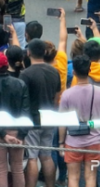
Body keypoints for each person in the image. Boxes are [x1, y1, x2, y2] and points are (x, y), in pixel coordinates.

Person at [58, 55, 100, 187]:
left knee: (73, 178)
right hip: (94, 141)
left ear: (74, 72)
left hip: (73, 142)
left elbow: (62, 122)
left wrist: (60, 143)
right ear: (89, 71)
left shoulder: (67, 94)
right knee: (91, 177)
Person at [0, 50, 30, 187]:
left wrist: (2, 134)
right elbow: (26, 111)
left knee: (0, 169)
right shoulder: (20, 84)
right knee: (17, 168)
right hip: (17, 131)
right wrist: (21, 134)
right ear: (6, 65)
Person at [19, 39, 60, 187]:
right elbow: (56, 97)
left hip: (32, 120)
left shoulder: (26, 74)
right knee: (46, 156)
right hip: (49, 118)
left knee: (32, 158)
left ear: (28, 52)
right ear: (44, 52)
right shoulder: (54, 72)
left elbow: (22, 100)